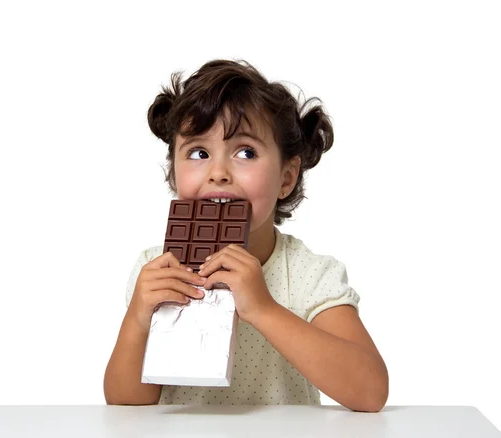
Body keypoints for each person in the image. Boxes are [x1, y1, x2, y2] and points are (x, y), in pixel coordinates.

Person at [104, 59, 388, 412]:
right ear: (174, 173)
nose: (218, 172)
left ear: (286, 177)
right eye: (198, 152)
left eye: (245, 152)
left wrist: (263, 308)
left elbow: (370, 392)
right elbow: (124, 401)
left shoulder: (307, 275)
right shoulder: (158, 268)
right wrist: (138, 316)